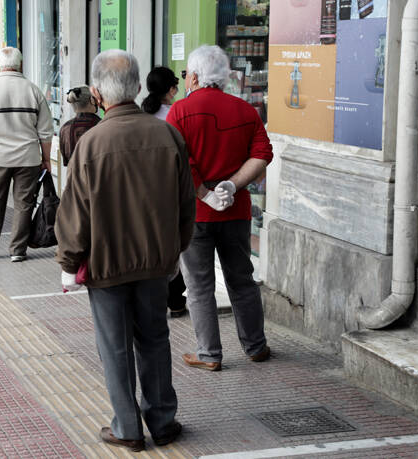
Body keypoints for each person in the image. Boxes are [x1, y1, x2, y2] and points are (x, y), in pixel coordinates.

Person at [55, 49, 196, 452]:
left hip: (106, 265)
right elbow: (187, 205)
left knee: (115, 348)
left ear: (97, 93)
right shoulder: (167, 135)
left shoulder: (91, 142)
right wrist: (174, 251)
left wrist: (69, 262)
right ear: (136, 87)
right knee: (155, 339)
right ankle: (164, 422)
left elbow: (74, 212)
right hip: (156, 264)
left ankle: (128, 428)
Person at [166, 45, 273, 372]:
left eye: (186, 74)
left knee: (198, 286)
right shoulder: (245, 110)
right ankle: (255, 346)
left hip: (194, 213)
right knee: (242, 278)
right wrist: (233, 185)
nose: (185, 80)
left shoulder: (180, 112)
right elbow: (263, 154)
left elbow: (179, 161)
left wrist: (204, 193)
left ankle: (209, 353)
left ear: (195, 76)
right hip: (236, 210)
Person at [0, 47, 53, 261]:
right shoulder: (33, 90)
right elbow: (45, 131)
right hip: (28, 157)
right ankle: (18, 249)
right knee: (24, 203)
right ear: (20, 64)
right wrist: (45, 159)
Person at [142, 66, 187, 318]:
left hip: (145, 190)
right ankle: (176, 299)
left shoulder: (141, 113)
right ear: (170, 90)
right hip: (170, 189)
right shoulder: (175, 115)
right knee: (172, 248)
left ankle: (153, 299)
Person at [58, 86, 100, 166]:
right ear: (92, 100)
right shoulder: (101, 124)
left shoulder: (65, 128)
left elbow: (66, 161)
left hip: (73, 176)